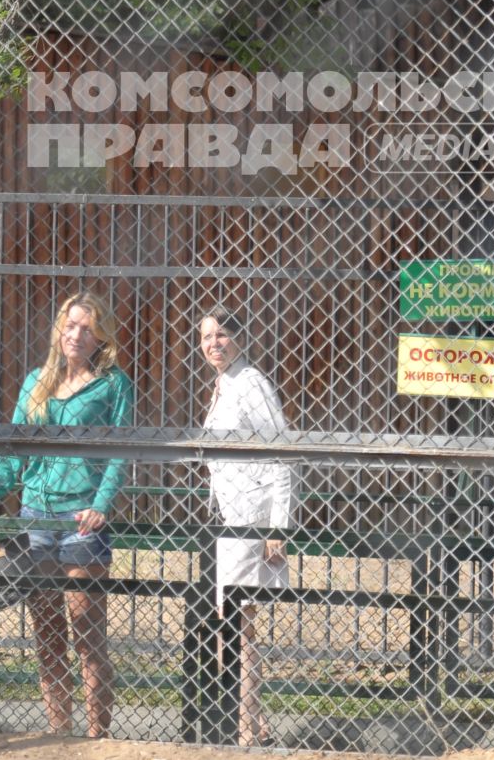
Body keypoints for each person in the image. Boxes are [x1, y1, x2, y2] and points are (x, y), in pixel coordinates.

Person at [0, 292, 135, 738]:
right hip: (36, 518)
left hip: (81, 522)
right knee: (48, 638)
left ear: (100, 337)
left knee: (88, 636)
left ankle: (97, 738)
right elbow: (14, 453)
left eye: (87, 328)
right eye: (70, 326)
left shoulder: (113, 385)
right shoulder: (36, 381)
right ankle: (58, 737)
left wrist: (101, 505)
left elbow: (119, 454)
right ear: (58, 330)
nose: (76, 334)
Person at [197, 305, 294, 747]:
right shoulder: (221, 386)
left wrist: (278, 527)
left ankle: (243, 725)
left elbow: (283, 454)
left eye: (221, 334)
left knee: (240, 626)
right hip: (227, 521)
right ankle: (252, 722)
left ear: (238, 337)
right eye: (205, 337)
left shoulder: (251, 382)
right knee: (236, 625)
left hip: (251, 522)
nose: (213, 343)